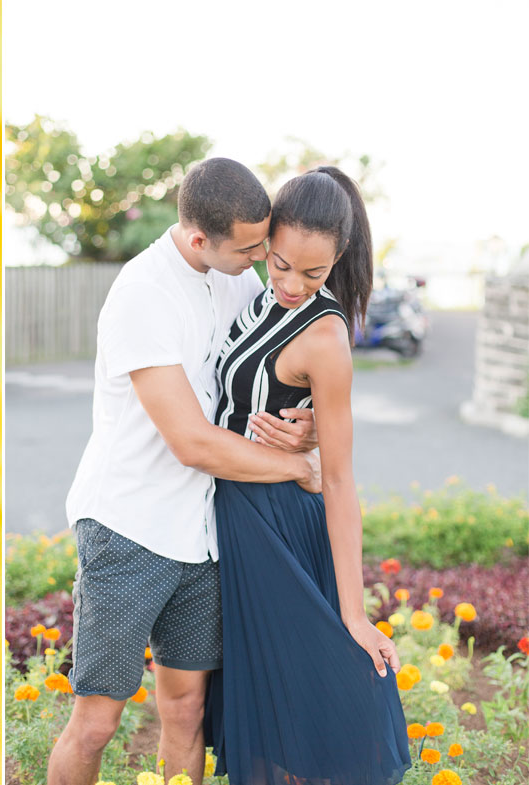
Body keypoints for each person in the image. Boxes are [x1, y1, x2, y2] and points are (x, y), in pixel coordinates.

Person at [51, 158, 324, 785]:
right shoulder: (142, 295)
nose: (262, 262)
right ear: (200, 239)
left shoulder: (235, 278)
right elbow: (193, 443)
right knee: (95, 723)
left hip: (201, 535)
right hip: (128, 528)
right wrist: (297, 469)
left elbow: (276, 373)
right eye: (251, 248)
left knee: (185, 709)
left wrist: (303, 423)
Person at [202, 166, 412, 785]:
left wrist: (355, 610)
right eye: (282, 264)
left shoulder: (325, 336)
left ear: (338, 258)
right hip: (232, 511)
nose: (292, 283)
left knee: (307, 696)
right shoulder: (253, 291)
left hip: (279, 525)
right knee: (262, 701)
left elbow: (341, 480)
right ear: (266, 243)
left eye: (313, 272)